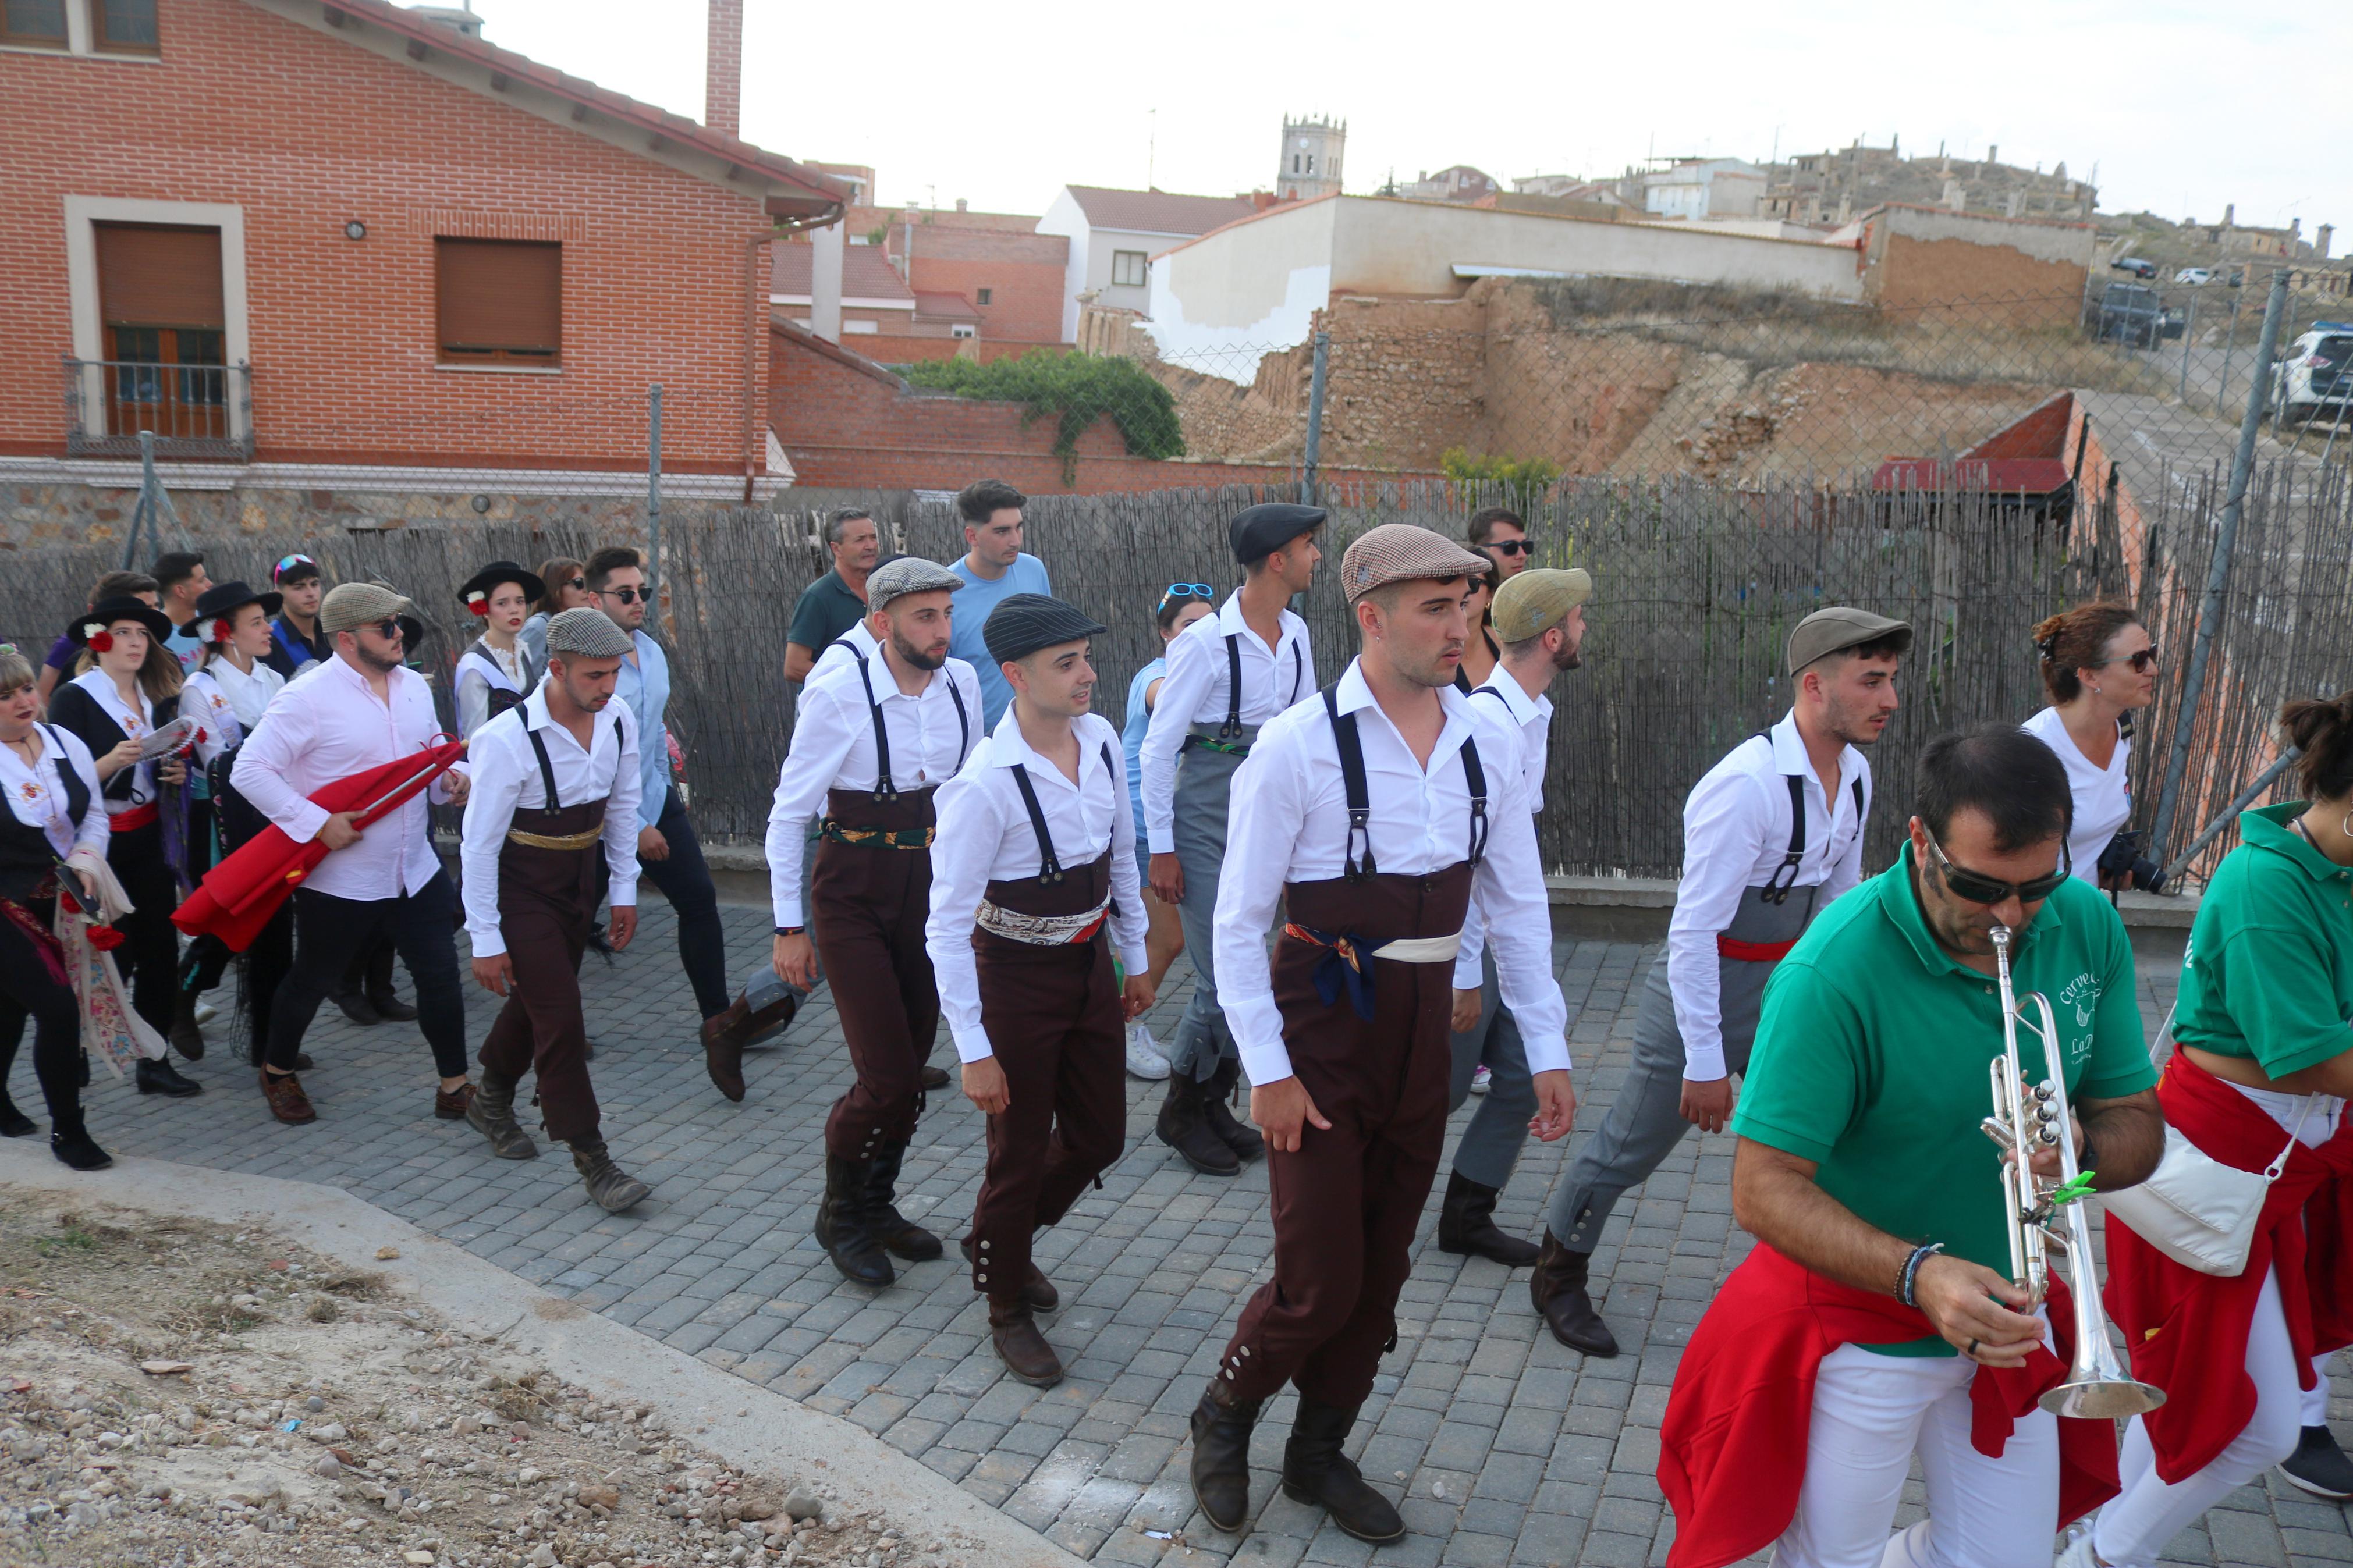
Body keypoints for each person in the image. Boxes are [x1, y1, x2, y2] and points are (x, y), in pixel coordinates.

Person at [1656, 723, 2165, 1568]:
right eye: (1980, 886)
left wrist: (2077, 1145)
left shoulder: (2081, 922)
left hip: (2007, 1313)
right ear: (1918, 842)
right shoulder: (1832, 970)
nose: (2009, 916)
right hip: (1862, 1327)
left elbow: (2137, 1128)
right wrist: (1920, 1273)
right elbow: (1760, 1186)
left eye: (2033, 884)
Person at [1187, 525, 1575, 1546]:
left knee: (1382, 1273)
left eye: (1466, 608)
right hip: (1320, 1027)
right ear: (1370, 617)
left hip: (1421, 1038)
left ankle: (1317, 1454)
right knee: (1319, 1278)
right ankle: (1224, 1413)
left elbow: (1518, 903)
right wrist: (1265, 1072)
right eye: (1434, 609)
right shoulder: (1295, 746)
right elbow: (1235, 925)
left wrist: (1545, 1047)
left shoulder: (1489, 738)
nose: (1460, 629)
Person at [1532, 606, 1907, 1356]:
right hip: (1702, 988)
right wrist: (1703, 1061)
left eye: (1890, 681)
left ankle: (1832, 1278)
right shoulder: (1744, 787)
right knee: (1630, 1146)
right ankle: (1556, 1273)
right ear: (1813, 685)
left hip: (1785, 989)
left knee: (1825, 1136)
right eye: (1871, 682)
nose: (1889, 700)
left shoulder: (1855, 773)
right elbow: (1692, 932)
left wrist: (1838, 1004)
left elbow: (1836, 899)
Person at [2070, 695, 2353, 1566]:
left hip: (2270, 1171)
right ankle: (2099, 1555)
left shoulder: (2325, 866)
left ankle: (2098, 1536)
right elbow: (2310, 1056)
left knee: (2186, 1401)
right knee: (2250, 1424)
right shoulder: (2266, 883)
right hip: (2215, 1172)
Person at [924, 594, 1154, 1388]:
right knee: (1016, 1152)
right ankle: (1004, 1301)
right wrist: (974, 1050)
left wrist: (1135, 955)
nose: (1088, 674)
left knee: (1098, 1137)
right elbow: (944, 928)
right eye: (1067, 663)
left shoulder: (1096, 741)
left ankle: (998, 1237)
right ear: (1016, 676)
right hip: (1013, 979)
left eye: (1086, 656)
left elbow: (1119, 854)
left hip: (1088, 964)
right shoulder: (982, 785)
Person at [765, 559, 980, 1284]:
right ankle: (839, 1212)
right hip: (851, 887)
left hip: (929, 886)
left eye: (946, 614)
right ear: (882, 623)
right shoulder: (838, 691)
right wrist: (788, 926)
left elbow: (968, 792)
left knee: (914, 1062)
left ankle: (878, 1201)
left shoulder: (962, 684)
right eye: (925, 616)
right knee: (885, 1074)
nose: (942, 630)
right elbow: (789, 812)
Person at [232, 582, 474, 1125]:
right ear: (346, 638)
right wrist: (317, 825)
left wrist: (454, 780)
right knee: (313, 980)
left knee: (440, 977)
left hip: (415, 866)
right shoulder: (306, 697)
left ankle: (455, 1086)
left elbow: (429, 760)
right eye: (386, 628)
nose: (399, 637)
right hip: (343, 877)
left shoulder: (413, 685)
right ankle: (275, 1071)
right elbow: (249, 770)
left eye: (399, 626)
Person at [1141, 503, 1322, 1176]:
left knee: (1242, 967)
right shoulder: (1205, 642)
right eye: (1308, 546)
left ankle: (1208, 1100)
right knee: (1226, 970)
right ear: (1277, 559)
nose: (1315, 557)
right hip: (1206, 807)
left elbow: (1303, 732)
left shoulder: (1297, 633)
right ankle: (1182, 1108)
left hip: (1266, 804)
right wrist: (1162, 844)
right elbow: (1160, 751)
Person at [459, 608, 652, 1213]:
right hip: (522, 887)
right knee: (562, 1015)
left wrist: (623, 889)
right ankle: (593, 1159)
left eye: (614, 674)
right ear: (558, 668)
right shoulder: (504, 739)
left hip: (580, 880)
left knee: (539, 999)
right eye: (595, 676)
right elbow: (478, 845)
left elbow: (623, 809)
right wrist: (485, 937)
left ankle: (488, 1097)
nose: (608, 687)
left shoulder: (617, 718)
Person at [1439, 567, 1591, 1267]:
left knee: (1517, 1077)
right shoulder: (1487, 726)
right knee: (1432, 1093)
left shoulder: (1532, 714)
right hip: (1466, 950)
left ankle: (1467, 1216)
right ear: (1554, 636)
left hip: (1500, 944)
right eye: (1580, 618)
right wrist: (1465, 971)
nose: (1586, 628)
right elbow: (1464, 866)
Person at [46, 596, 203, 1099]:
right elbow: (60, 785)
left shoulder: (152, 694)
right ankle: (77, 1045)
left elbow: (163, 766)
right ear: (100, 639)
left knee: (159, 946)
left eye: (143, 634)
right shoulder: (75, 696)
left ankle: (154, 1060)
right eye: (125, 631)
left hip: (149, 837)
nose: (137, 642)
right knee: (108, 950)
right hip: (98, 843)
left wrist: (174, 771)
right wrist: (111, 762)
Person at [585, 547, 733, 1040]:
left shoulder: (649, 651)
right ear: (593, 599)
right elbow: (585, 767)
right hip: (594, 816)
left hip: (652, 798)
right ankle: (547, 1031)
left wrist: (660, 803)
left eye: (642, 592)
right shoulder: (583, 670)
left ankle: (719, 1023)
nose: (637, 601)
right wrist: (633, 825)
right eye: (624, 593)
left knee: (699, 901)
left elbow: (649, 739)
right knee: (569, 924)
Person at [0, 643, 116, 1167]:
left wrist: (89, 860)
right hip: (5, 904)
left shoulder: (62, 741)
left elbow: (93, 815)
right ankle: (69, 1131)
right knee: (56, 1006)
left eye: (25, 688)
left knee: (10, 1008)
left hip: (64, 898)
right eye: (4, 695)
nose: (23, 701)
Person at [173, 579, 289, 1058]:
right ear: (225, 632)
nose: (268, 629)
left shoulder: (275, 680)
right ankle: (184, 991)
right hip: (222, 821)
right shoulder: (200, 690)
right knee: (232, 921)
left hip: (276, 814)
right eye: (257, 622)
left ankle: (271, 1037)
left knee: (274, 930)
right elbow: (222, 763)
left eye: (267, 620)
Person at [1119, 586, 1218, 1081]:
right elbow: (1165, 702)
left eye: (1208, 626)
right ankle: (1118, 1029)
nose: (1198, 636)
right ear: (1165, 634)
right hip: (1141, 826)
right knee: (1163, 939)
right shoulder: (1154, 677)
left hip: (1183, 827)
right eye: (1187, 627)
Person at [2022, 603, 2159, 890]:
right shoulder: (2033, 751)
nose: (2153, 670)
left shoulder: (2121, 730)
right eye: (2139, 660)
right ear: (2090, 676)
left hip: (2083, 914)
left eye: (2153, 654)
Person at [945, 479, 1053, 729]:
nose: (1015, 541)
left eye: (1019, 528)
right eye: (1002, 532)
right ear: (972, 536)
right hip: (979, 742)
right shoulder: (947, 593)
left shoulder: (1033, 570)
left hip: (1040, 730)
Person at [784, 509, 884, 684]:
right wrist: (856, 681)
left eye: (873, 537)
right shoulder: (818, 597)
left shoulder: (880, 589)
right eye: (860, 539)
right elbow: (794, 667)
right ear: (836, 549)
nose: (870, 545)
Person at [37, 571, 157, 712]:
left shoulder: (163, 658)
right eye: (123, 632)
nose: (156, 614)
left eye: (156, 606)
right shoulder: (72, 661)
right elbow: (44, 703)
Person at [453, 561, 546, 739]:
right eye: (502, 603)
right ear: (485, 610)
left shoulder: (522, 650)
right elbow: (475, 736)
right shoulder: (474, 666)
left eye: (520, 601)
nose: (514, 610)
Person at [264, 554, 332, 680]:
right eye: (299, 587)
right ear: (279, 596)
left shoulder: (333, 634)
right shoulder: (269, 642)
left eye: (314, 584)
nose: (311, 593)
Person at [517, 556, 590, 672]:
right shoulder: (539, 627)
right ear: (555, 588)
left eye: (588, 583)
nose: (586, 590)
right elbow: (521, 680)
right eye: (579, 583)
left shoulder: (577, 626)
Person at [153, 550, 212, 673]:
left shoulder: (214, 619)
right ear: (181, 591)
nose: (209, 584)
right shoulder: (159, 640)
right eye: (201, 581)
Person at [1467, 506, 1533, 585]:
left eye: (1526, 546)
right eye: (1510, 548)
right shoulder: (1464, 595)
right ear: (1481, 550)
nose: (1523, 555)